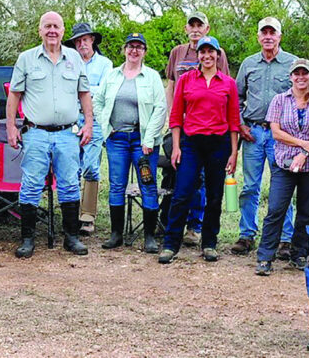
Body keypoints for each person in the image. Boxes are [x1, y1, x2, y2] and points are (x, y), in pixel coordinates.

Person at [6, 11, 94, 258]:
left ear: (63, 31)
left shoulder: (75, 58)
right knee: (32, 185)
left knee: (69, 184)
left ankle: (71, 238)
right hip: (36, 133)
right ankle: (27, 239)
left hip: (67, 134)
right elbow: (15, 94)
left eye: (56, 26)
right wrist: (12, 126)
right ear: (40, 30)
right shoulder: (26, 59)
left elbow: (84, 93)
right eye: (47, 26)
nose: (52, 30)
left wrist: (88, 124)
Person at [161, 35, 240, 264]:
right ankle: (170, 244)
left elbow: (234, 120)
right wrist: (176, 146)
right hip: (192, 143)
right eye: (203, 52)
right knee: (182, 192)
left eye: (211, 52)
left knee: (214, 196)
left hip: (218, 143)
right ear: (198, 55)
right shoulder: (186, 80)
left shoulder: (228, 83)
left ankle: (209, 242)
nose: (207, 56)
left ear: (218, 55)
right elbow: (176, 116)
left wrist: (234, 153)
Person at [93, 33, 167, 253]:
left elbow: (160, 109)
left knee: (147, 184)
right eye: (131, 47)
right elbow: (97, 101)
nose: (134, 51)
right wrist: (106, 127)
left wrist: (148, 138)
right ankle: (116, 234)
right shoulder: (113, 75)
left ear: (144, 51)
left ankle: (149, 236)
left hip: (142, 142)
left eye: (139, 47)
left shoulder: (152, 77)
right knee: (117, 184)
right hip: (117, 139)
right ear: (124, 49)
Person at [233, 16, 298, 258]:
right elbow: (237, 97)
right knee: (250, 186)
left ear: (280, 36)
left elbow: (301, 97)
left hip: (282, 136)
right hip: (253, 132)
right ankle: (247, 233)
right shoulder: (249, 64)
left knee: (283, 186)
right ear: (258, 36)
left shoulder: (292, 64)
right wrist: (240, 125)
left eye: (273, 32)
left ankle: (285, 238)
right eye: (264, 32)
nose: (268, 36)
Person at [255, 58, 309, 276]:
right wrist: (302, 144)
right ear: (291, 76)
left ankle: (299, 254)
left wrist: (305, 153)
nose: (301, 77)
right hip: (284, 163)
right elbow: (276, 132)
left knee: (305, 212)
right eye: (297, 73)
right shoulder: (279, 100)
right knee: (276, 209)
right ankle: (266, 256)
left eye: (305, 73)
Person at [63, 22, 113, 235]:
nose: (82, 43)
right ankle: (71, 213)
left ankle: (88, 215)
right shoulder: (67, 62)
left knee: (91, 167)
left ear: (92, 40)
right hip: (71, 119)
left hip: (95, 120)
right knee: (71, 166)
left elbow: (104, 91)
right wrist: (86, 92)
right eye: (78, 40)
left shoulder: (105, 64)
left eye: (85, 39)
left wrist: (82, 91)